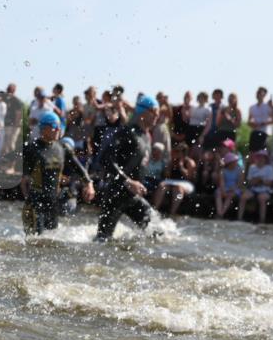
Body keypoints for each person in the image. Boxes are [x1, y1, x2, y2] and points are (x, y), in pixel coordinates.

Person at [95, 94, 158, 240]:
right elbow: (106, 158)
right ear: (143, 112)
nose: (157, 115)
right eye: (154, 111)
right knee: (102, 240)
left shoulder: (146, 136)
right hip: (115, 195)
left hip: (133, 196)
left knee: (157, 233)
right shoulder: (127, 132)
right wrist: (127, 181)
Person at [20, 112, 94, 235]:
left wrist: (89, 184)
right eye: (55, 126)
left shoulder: (63, 148)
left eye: (60, 126)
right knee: (35, 241)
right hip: (35, 204)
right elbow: (6, 159)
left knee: (50, 241)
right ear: (44, 128)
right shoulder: (31, 147)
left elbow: (79, 168)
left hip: (53, 204)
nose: (58, 129)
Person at [153, 143, 196, 217]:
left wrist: (181, 167)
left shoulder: (190, 162)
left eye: (178, 151)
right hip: (172, 181)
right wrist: (170, 166)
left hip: (185, 182)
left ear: (183, 153)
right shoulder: (172, 161)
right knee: (162, 186)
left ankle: (172, 212)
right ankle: (155, 209)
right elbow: (167, 175)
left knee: (178, 188)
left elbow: (189, 177)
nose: (176, 153)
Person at [239, 149, 273, 223]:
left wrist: (261, 180)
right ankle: (239, 218)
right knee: (243, 197)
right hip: (253, 189)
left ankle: (262, 220)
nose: (260, 159)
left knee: (261, 199)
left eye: (262, 157)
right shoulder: (252, 167)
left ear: (265, 159)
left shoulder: (269, 168)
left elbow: (271, 183)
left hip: (265, 190)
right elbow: (249, 182)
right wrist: (255, 181)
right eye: (259, 157)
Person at [214, 151, 243, 219]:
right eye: (234, 161)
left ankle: (221, 213)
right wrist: (223, 190)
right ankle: (219, 211)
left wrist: (234, 188)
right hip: (225, 187)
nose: (236, 162)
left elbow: (240, 183)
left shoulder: (239, 170)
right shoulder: (223, 171)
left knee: (230, 195)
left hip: (235, 188)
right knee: (218, 193)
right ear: (229, 163)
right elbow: (222, 182)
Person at [248, 87, 273, 152]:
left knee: (262, 153)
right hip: (254, 133)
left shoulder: (268, 107)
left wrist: (264, 123)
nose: (258, 94)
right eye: (257, 92)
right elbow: (249, 121)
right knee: (253, 152)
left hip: (264, 133)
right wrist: (252, 124)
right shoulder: (252, 107)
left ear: (264, 95)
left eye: (260, 93)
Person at [2, 83, 24, 158]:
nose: (8, 92)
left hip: (14, 125)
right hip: (7, 124)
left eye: (10, 90)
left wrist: (16, 125)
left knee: (11, 144)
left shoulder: (16, 100)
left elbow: (19, 114)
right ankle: (6, 160)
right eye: (8, 90)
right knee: (5, 144)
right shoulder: (6, 99)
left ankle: (12, 162)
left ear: (14, 91)